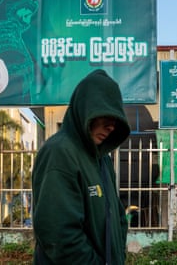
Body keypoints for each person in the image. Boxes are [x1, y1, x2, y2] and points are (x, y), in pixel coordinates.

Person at [32, 69, 131, 264]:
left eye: (115, 119)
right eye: (104, 115)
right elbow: (59, 235)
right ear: (85, 110)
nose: (111, 127)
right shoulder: (60, 153)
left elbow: (117, 217)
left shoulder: (102, 159)